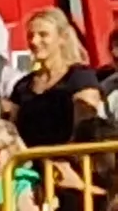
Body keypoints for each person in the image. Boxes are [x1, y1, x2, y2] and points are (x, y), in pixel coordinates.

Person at [8, 8, 104, 147]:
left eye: (43, 35)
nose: (34, 41)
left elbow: (85, 128)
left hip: (71, 160)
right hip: (28, 163)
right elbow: (12, 132)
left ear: (62, 38)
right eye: (30, 35)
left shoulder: (80, 77)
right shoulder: (22, 86)